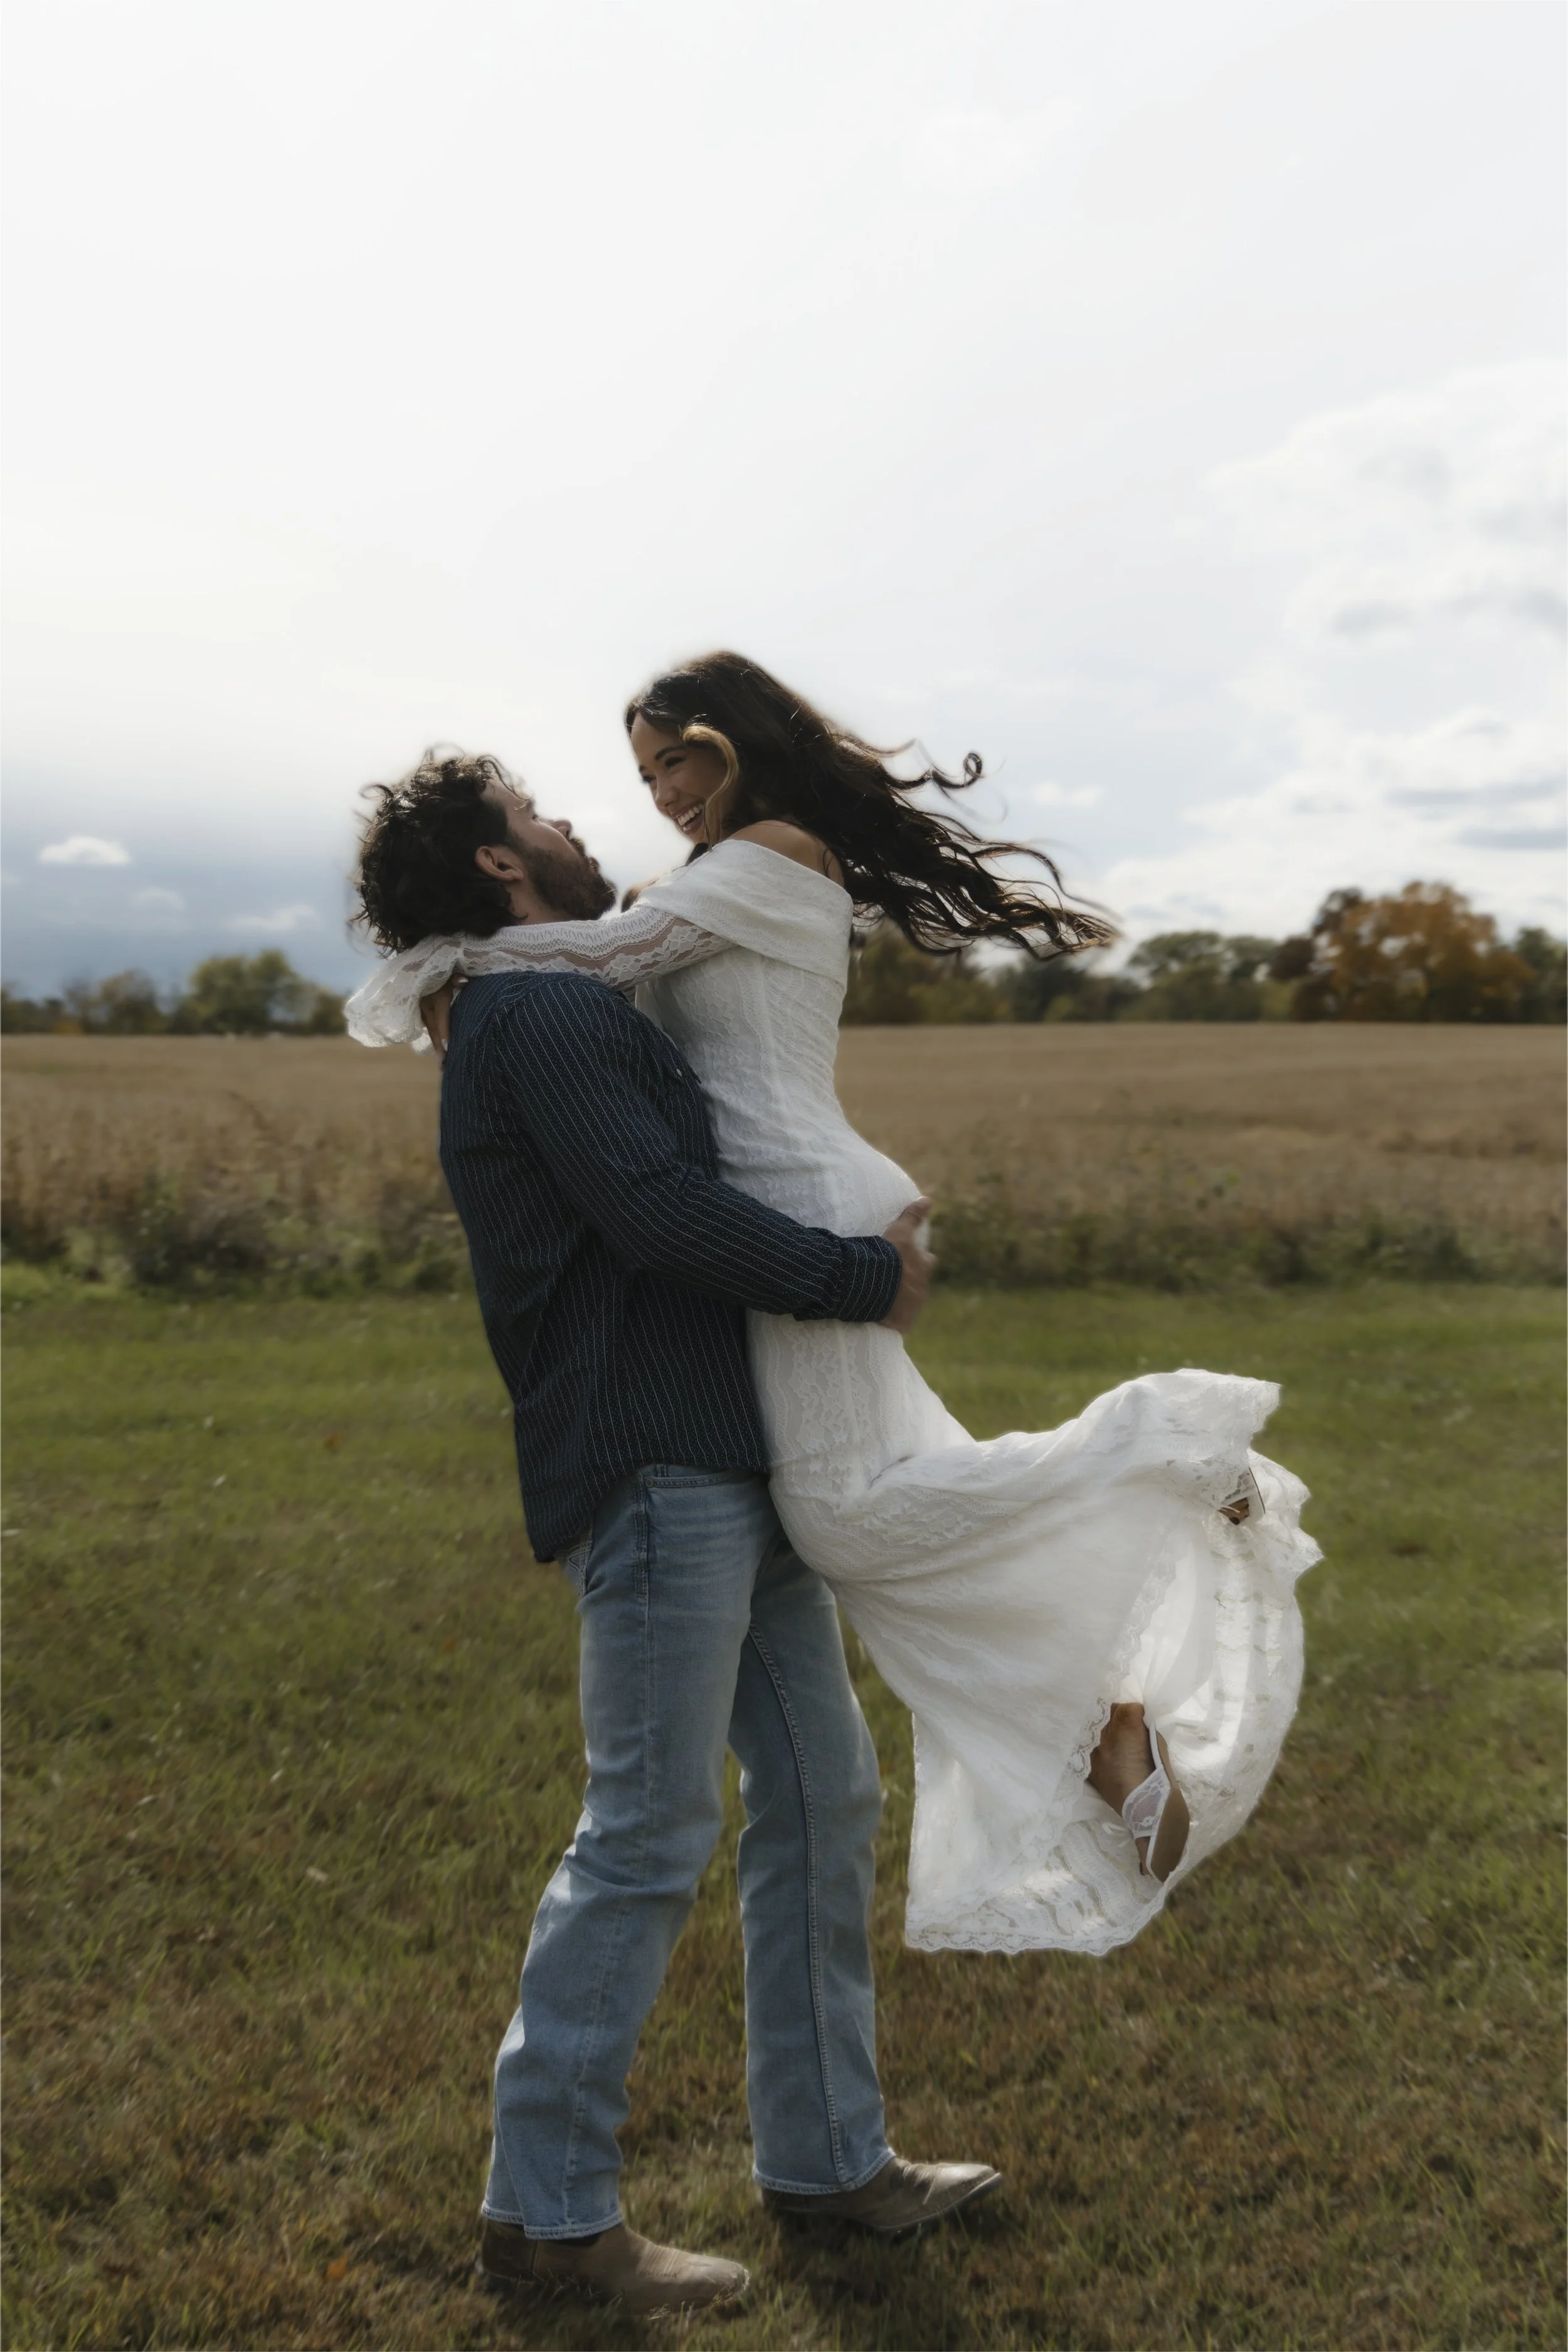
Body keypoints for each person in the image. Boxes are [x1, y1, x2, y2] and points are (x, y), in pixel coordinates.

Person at [350, 652, 1320, 1968]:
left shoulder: (764, 855)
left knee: (847, 1519)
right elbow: (612, 977)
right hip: (794, 1214)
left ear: (731, 744)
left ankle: (1162, 1449)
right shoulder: (709, 881)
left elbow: (605, 954)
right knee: (904, 1490)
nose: (654, 796)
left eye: (672, 764)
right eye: (640, 778)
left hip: (806, 1210)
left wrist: (437, 968)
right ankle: (1105, 1738)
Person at [351, 763, 1000, 2316]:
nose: (583, 826)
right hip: (654, 1468)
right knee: (645, 1830)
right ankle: (549, 2219)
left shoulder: (551, 1000)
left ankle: (831, 2164)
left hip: (728, 1455)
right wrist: (861, 1281)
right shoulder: (542, 1017)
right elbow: (654, 1209)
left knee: (824, 1791)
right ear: (506, 868)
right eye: (547, 815)